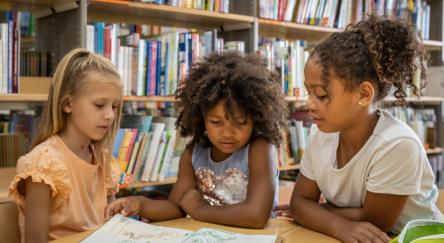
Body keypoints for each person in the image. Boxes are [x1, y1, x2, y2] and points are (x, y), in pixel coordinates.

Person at [281, 15, 441, 243]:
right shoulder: (320, 133)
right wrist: (330, 219)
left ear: (364, 95)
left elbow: (375, 223)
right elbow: (299, 204)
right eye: (309, 92)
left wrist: (319, 212)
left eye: (322, 95)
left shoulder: (397, 144)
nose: (310, 104)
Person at [106, 51, 288, 228]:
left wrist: (200, 210)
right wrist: (139, 203)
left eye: (240, 123)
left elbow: (256, 216)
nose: (227, 133)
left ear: (256, 120)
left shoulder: (260, 149)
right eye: (216, 122)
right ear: (201, 118)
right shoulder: (194, 153)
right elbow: (175, 207)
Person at [9, 48, 123, 242]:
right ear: (67, 104)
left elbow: (110, 226)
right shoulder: (44, 163)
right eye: (99, 105)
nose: (110, 115)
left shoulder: (103, 159)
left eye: (114, 106)